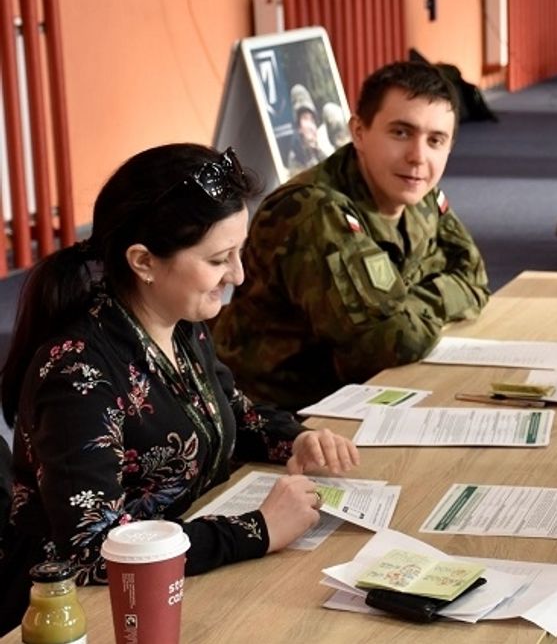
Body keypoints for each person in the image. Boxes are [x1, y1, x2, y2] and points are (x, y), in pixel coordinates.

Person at [0, 144, 360, 632]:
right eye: (219, 260)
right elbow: (91, 551)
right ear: (144, 262)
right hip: (79, 614)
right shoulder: (77, 374)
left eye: (239, 252)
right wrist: (258, 530)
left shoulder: (180, 324)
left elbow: (235, 413)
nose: (239, 275)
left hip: (180, 578)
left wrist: (296, 438)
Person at [214, 61, 490, 411]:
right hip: (286, 417)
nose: (418, 157)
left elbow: (476, 279)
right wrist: (418, 306)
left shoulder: (419, 193)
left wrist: (403, 306)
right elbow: (387, 343)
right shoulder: (314, 210)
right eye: (401, 133)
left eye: (436, 140)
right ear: (358, 132)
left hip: (364, 396)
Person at [285, 84, 335, 174]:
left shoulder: (319, 153)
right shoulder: (296, 160)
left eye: (312, 120)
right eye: (305, 118)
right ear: (298, 127)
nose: (312, 126)